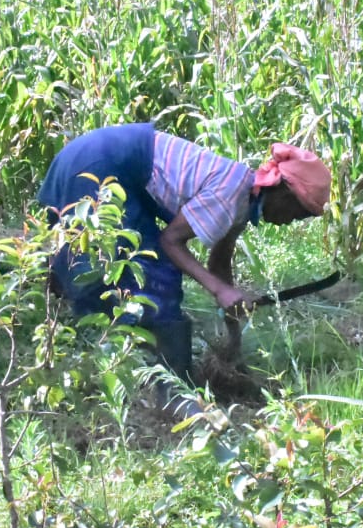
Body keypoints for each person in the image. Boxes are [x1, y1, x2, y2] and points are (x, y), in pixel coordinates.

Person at [37, 122, 332, 387]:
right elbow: (171, 242)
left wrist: (234, 338)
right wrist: (219, 291)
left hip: (88, 155)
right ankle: (168, 390)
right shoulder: (230, 194)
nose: (292, 221)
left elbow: (219, 265)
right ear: (282, 191)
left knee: (70, 255)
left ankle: (57, 343)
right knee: (148, 274)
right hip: (102, 166)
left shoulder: (240, 196)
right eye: (298, 212)